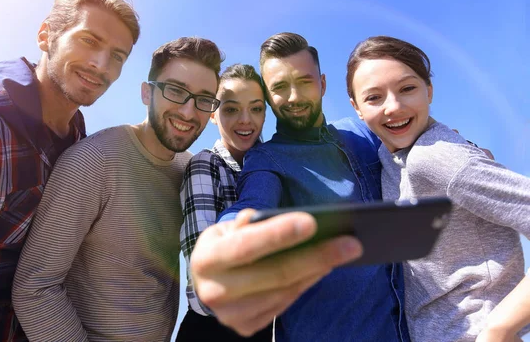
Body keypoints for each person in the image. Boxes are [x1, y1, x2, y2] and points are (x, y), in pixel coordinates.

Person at [0, 0, 139, 341]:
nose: (101, 64)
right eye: (89, 40)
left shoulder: (78, 149)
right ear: (46, 36)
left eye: (117, 56)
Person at [191, 32, 411, 341]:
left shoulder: (364, 131)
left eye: (304, 82)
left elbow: (418, 139)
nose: (293, 97)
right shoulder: (266, 159)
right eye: (280, 87)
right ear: (268, 96)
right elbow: (253, 203)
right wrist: (229, 239)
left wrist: (464, 147)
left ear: (322, 83)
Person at [12, 37, 224, 341]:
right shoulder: (93, 161)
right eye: (176, 91)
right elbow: (35, 286)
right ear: (146, 92)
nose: (189, 113)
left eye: (204, 99)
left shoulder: (191, 171)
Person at [346, 35, 530, 342]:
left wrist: (500, 329)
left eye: (407, 89)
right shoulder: (388, 155)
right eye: (374, 97)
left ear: (428, 90)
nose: (393, 107)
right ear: (357, 108)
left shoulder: (439, 157)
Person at [176, 64, 272, 341]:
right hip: (214, 331)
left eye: (256, 108)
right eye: (231, 109)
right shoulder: (206, 166)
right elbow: (204, 286)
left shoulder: (277, 167)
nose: (245, 120)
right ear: (213, 114)